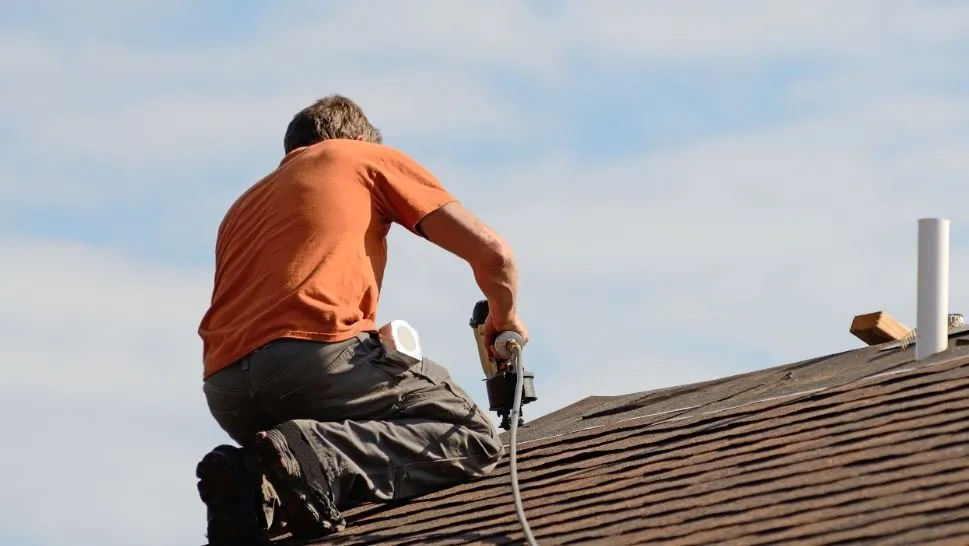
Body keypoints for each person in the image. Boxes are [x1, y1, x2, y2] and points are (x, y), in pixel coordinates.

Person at [193, 94, 528, 545]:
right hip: (313, 360)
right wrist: (505, 317)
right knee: (470, 432)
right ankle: (315, 454)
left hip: (228, 391)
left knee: (296, 457)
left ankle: (251, 483)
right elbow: (495, 255)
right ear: (355, 138)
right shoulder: (358, 157)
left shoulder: (242, 207)